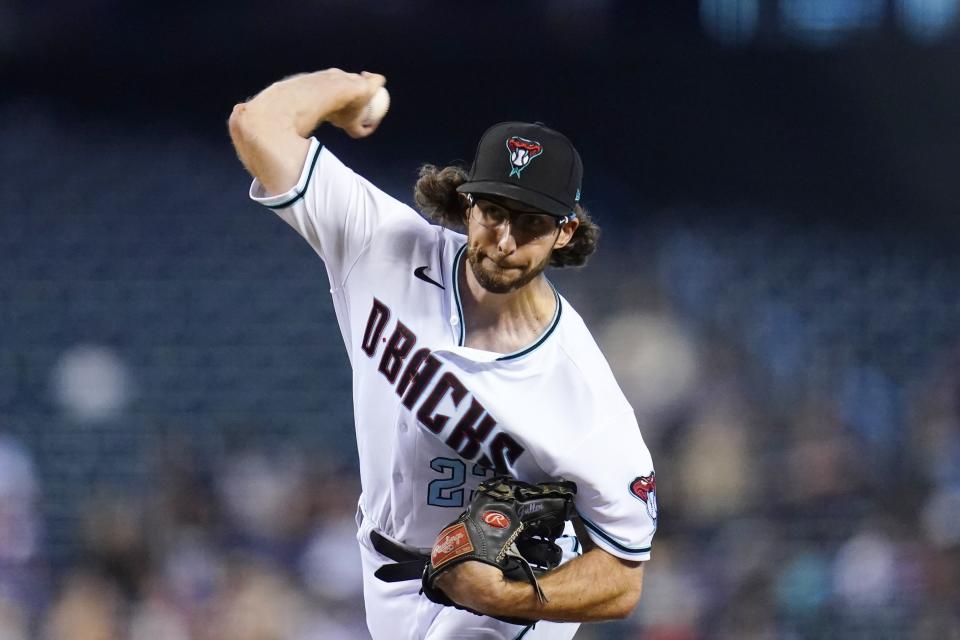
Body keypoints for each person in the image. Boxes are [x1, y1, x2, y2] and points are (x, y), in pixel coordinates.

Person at [228, 68, 657, 639]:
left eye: (530, 223)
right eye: (495, 212)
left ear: (564, 232)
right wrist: (347, 88)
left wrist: (506, 596)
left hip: (509, 592)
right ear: (467, 202)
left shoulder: (583, 397)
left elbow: (624, 578)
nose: (505, 240)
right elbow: (256, 125)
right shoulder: (382, 247)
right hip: (384, 565)